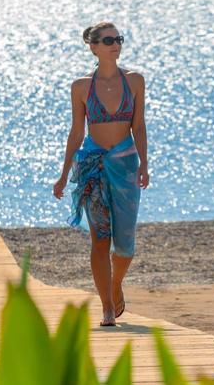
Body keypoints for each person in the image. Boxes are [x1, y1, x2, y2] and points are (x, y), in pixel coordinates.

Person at [53, 21, 149, 327]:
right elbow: (76, 132)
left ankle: (116, 282)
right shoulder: (81, 87)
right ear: (93, 47)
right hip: (92, 167)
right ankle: (107, 307)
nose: (115, 45)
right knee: (99, 239)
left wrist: (145, 164)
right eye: (108, 40)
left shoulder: (134, 81)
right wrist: (64, 173)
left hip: (125, 166)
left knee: (125, 246)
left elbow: (139, 126)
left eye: (118, 39)